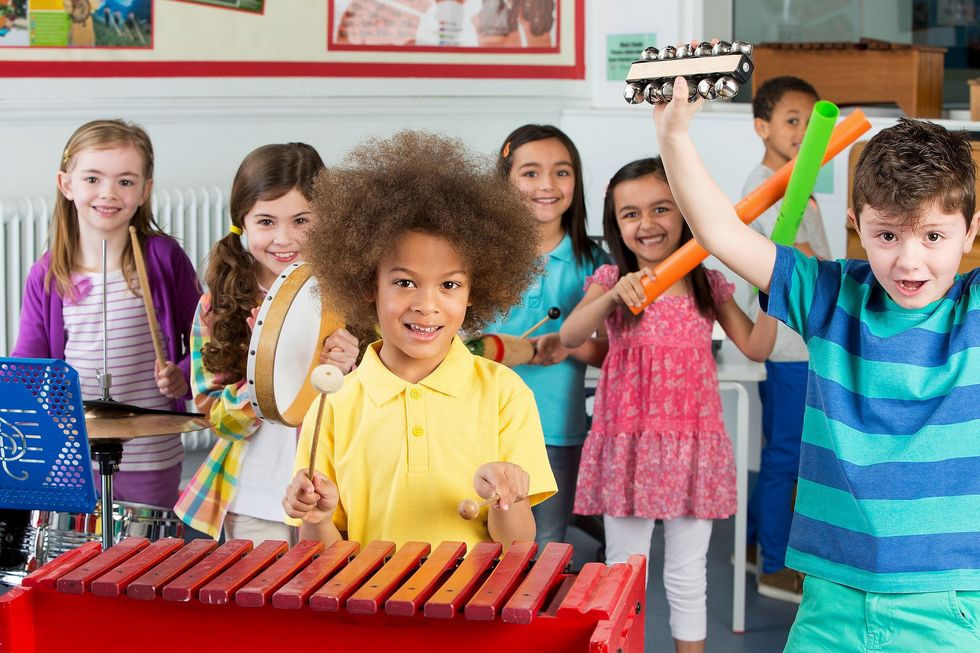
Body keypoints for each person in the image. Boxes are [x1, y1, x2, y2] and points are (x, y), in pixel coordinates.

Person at [653, 74, 980, 651]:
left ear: (970, 232)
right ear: (856, 226)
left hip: (948, 599)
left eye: (933, 235)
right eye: (887, 235)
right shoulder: (828, 294)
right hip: (831, 595)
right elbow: (720, 233)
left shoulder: (973, 309)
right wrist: (675, 136)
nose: (909, 260)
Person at [282, 130, 558, 550]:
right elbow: (320, 550)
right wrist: (318, 518)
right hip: (367, 606)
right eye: (405, 282)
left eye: (449, 284)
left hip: (469, 607)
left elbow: (518, 546)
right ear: (367, 284)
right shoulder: (333, 403)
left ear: (474, 292)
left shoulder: (505, 393)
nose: (427, 305)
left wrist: (507, 500)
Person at [560, 157, 775, 653]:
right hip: (627, 444)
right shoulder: (612, 276)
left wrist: (772, 296)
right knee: (621, 572)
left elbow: (757, 347)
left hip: (691, 449)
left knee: (686, 574)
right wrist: (613, 297)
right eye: (630, 213)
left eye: (661, 208)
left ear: (684, 214)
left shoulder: (706, 280)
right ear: (615, 224)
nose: (647, 223)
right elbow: (571, 335)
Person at [174, 143, 359, 544]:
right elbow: (217, 419)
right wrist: (270, 367)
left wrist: (355, 371)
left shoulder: (354, 298)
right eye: (266, 221)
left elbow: (378, 415)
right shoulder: (217, 307)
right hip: (254, 501)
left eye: (301, 220)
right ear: (242, 223)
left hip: (337, 503)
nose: (284, 238)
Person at [12, 118, 200, 509]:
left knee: (149, 560)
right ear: (67, 184)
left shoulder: (164, 258)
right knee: (77, 557)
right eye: (93, 179)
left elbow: (204, 341)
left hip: (151, 454)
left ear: (145, 190)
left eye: (125, 181)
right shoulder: (47, 274)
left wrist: (181, 377)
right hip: (72, 455)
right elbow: (27, 369)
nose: (109, 193)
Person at [485, 124, 607, 550]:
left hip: (556, 429)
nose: (547, 185)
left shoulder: (595, 262)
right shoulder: (480, 254)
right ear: (506, 182)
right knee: (478, 549)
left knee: (547, 546)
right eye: (530, 173)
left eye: (562, 172)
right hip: (481, 426)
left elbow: (610, 353)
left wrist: (567, 343)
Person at [743, 76, 832, 603]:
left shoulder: (796, 185)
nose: (801, 130)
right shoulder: (769, 189)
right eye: (790, 120)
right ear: (762, 127)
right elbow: (803, 267)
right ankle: (774, 564)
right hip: (788, 346)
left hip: (796, 343)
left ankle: (757, 545)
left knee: (778, 450)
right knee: (785, 455)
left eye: (807, 120)